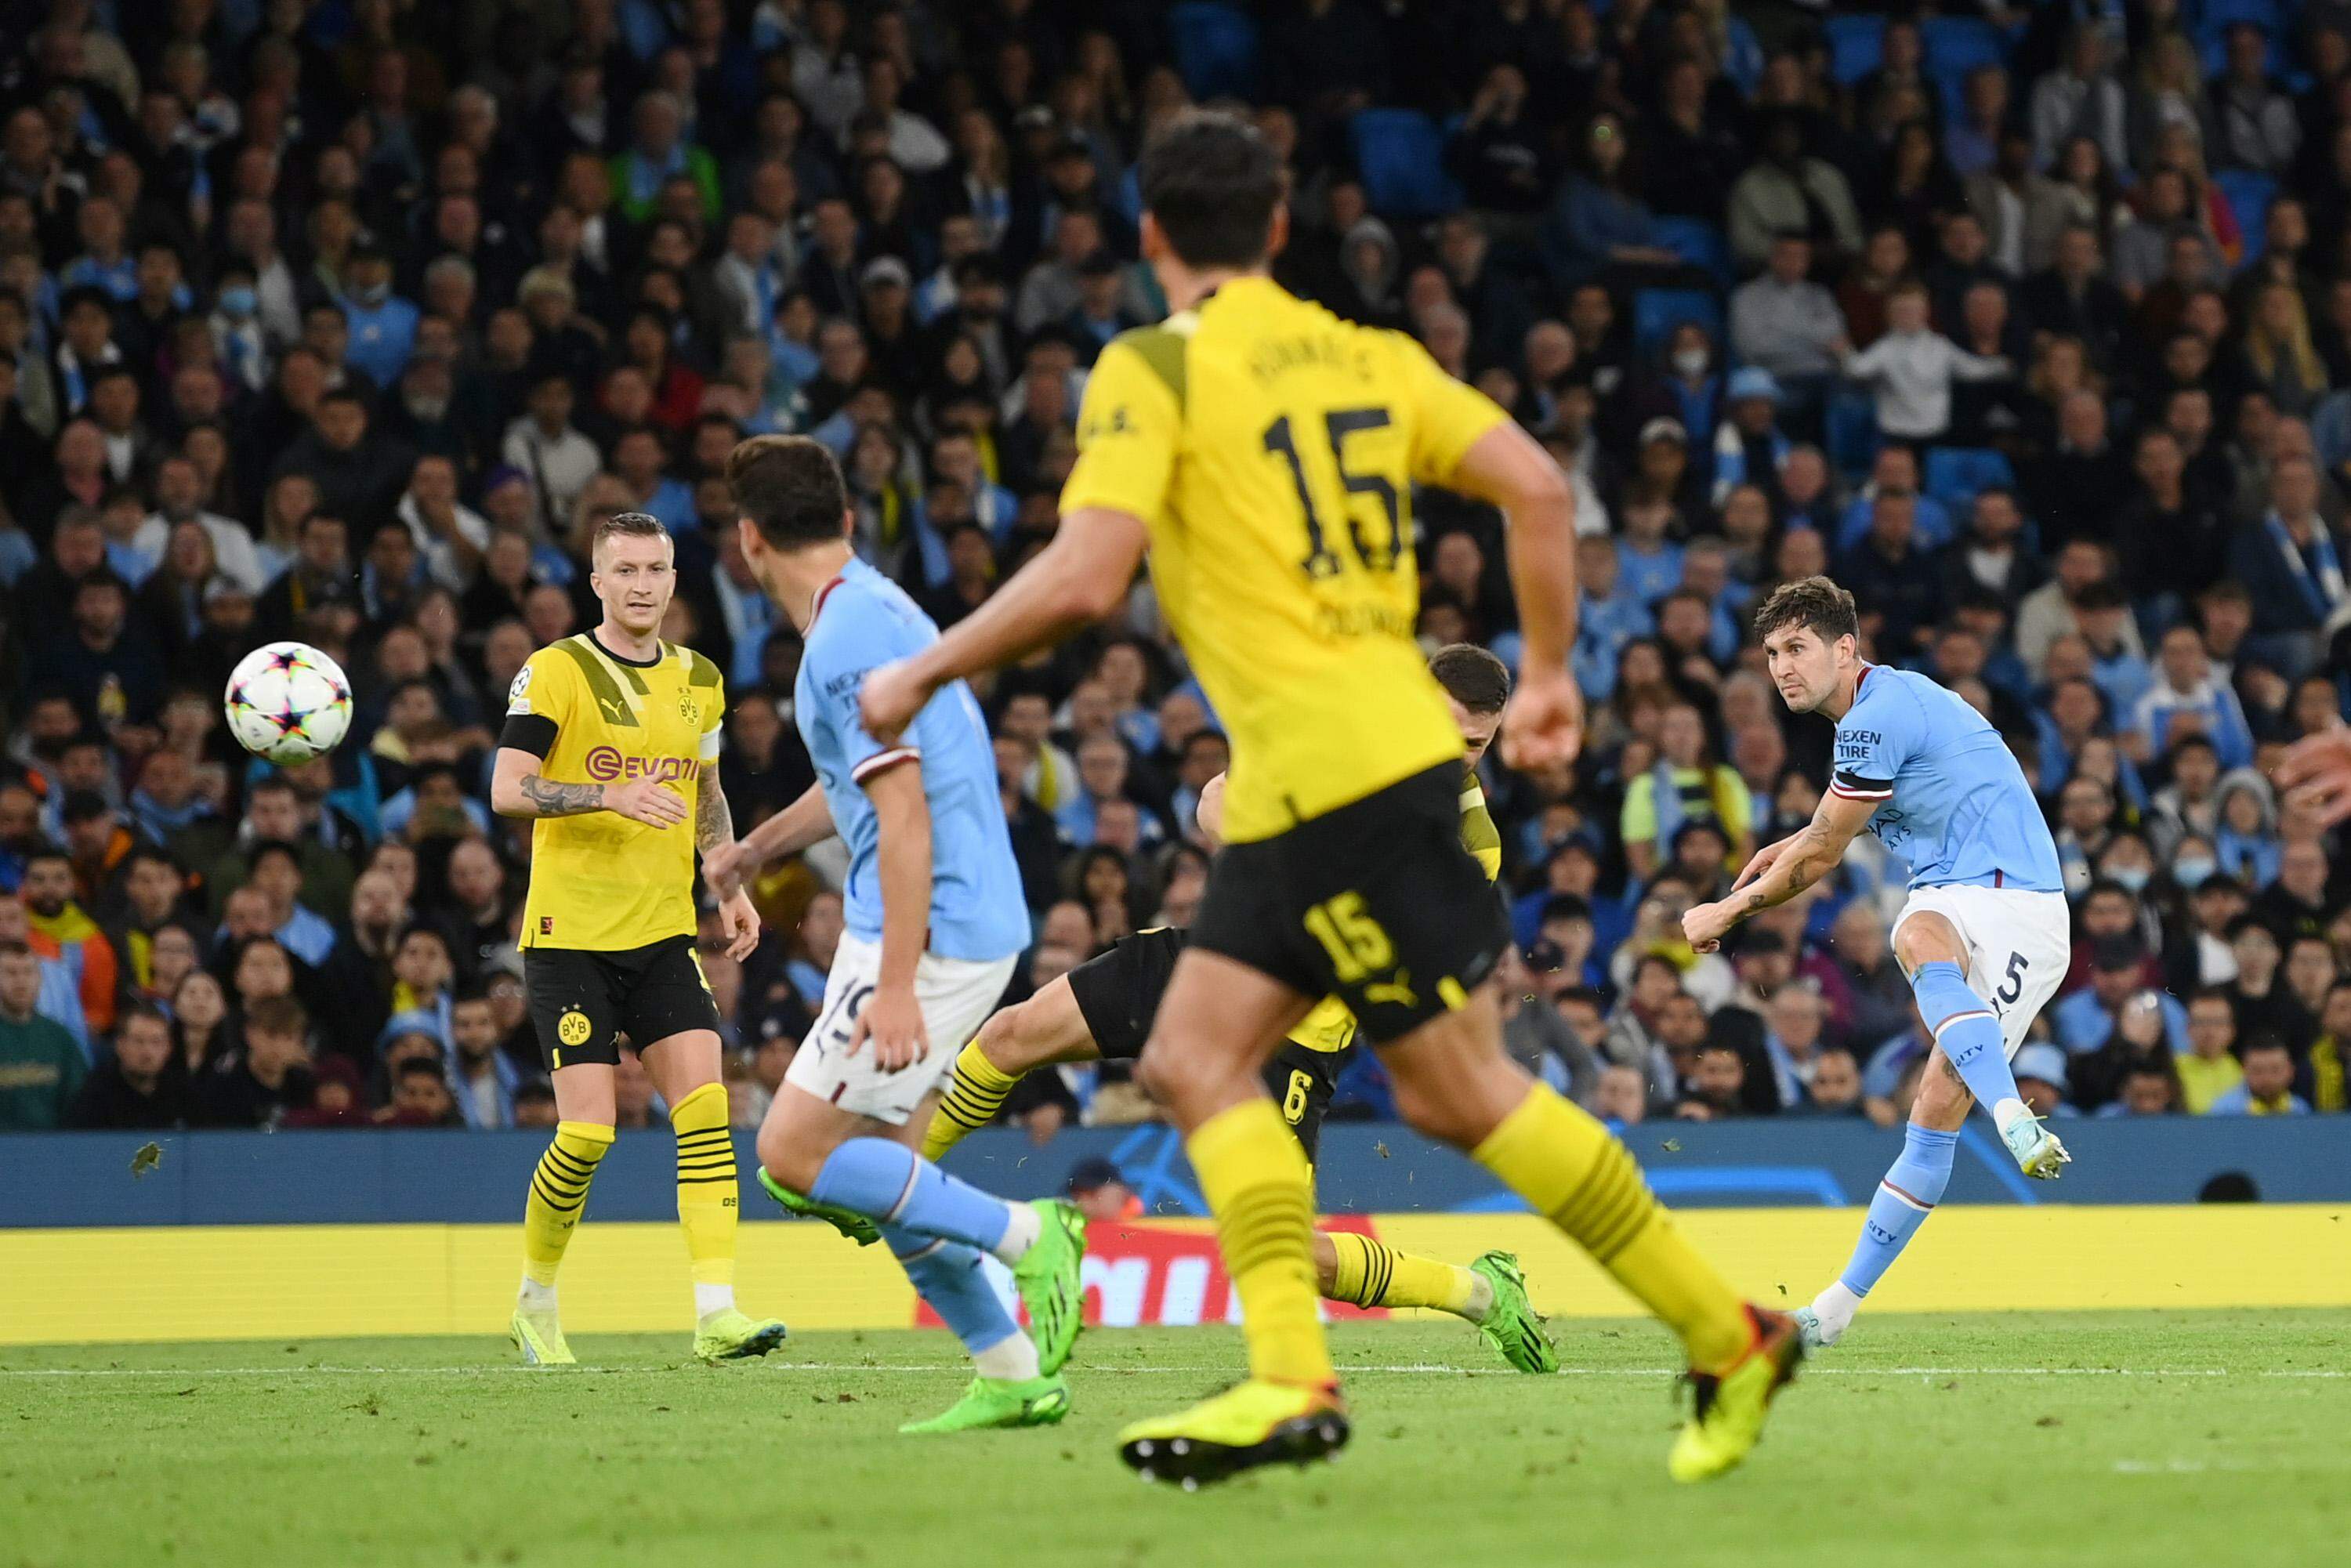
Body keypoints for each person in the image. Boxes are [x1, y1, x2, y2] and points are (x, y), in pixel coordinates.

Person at [854, 110, 1796, 1487]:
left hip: (1333, 782)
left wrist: (916, 674)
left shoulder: (1152, 365)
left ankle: (1722, 1332)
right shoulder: (1371, 357)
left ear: (1153, 237)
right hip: (1342, 776)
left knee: (1456, 1093)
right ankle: (1302, 1375)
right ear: (1283, 230)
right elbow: (1538, 489)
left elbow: (1084, 577)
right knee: (1198, 1059)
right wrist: (1545, 677)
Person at [918, 646, 1559, 1374]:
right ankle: (894, 1179)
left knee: (1293, 1253)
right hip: (1218, 961)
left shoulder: (1471, 844)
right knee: (1012, 1033)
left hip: (1294, 1030)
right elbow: (1215, 800)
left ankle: (1478, 1291)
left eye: (1477, 743)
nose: (1459, 755)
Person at [713, 434, 1084, 1436]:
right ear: (842, 520)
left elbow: (905, 816)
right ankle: (1012, 1372)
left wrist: (897, 987)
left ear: (748, 541)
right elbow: (856, 790)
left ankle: (1027, 1231)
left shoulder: (843, 646)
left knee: (792, 1155)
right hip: (957, 917)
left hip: (930, 929)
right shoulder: (872, 607)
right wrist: (754, 850)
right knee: (895, 1181)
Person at [1684, 577, 2071, 1354]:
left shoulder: (1873, 718)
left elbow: (1828, 849)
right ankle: (1833, 1310)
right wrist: (1791, 843)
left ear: (1846, 649)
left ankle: (2010, 1114)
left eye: (1798, 648)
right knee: (1930, 1112)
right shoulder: (1886, 708)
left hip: (2020, 909)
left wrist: (1726, 911)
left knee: (1911, 932)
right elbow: (1836, 824)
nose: (1783, 668)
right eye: (1770, 654)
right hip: (1966, 899)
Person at [489, 509, 785, 1367]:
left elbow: (705, 787)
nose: (644, 585)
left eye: (656, 570)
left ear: (672, 580)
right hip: (569, 936)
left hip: (662, 935)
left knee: (706, 1111)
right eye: (625, 572)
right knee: (587, 1135)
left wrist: (725, 882)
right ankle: (535, 1303)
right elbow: (510, 788)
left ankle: (716, 1314)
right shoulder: (557, 672)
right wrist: (607, 795)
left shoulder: (699, 678)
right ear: (596, 583)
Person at [0, 940, 85, 1129]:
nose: (20, 981)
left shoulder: (59, 1038)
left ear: (39, 979)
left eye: (28, 972)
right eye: (10, 973)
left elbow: (80, 1103)